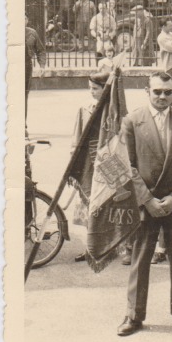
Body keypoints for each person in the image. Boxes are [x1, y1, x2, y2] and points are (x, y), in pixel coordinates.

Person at [117, 72, 172, 337]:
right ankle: (134, 315)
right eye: (157, 92)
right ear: (147, 91)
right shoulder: (132, 121)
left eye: (168, 92)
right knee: (141, 259)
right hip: (147, 204)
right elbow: (126, 165)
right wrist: (148, 199)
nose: (163, 97)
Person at [70, 71, 110, 263]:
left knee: (107, 202)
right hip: (87, 162)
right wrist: (73, 163)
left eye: (95, 88)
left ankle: (109, 245)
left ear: (105, 89)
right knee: (88, 203)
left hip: (108, 163)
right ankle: (91, 247)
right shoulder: (84, 108)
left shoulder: (113, 109)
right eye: (90, 88)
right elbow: (76, 138)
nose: (92, 92)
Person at [25, 13, 46, 117]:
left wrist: (42, 66)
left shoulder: (32, 33)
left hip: (26, 66)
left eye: (24, 18)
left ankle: (22, 124)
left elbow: (40, 50)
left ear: (27, 20)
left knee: (24, 95)